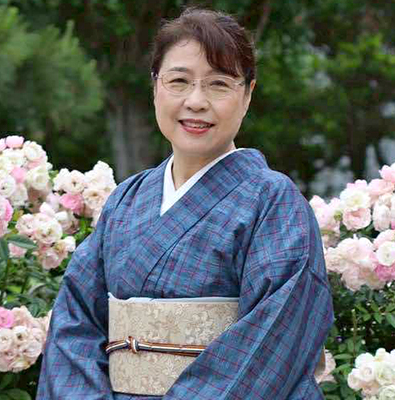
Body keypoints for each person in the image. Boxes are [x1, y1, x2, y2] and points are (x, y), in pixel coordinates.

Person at [36, 7, 334, 400]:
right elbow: (74, 324)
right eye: (179, 81)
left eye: (219, 84)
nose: (196, 101)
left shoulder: (272, 202)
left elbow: (272, 345)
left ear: (247, 94)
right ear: (155, 86)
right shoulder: (125, 201)